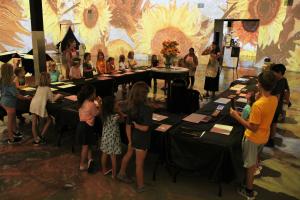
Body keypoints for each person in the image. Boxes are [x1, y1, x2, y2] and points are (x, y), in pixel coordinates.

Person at [230, 71, 278, 200]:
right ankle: (255, 171)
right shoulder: (274, 99)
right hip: (264, 136)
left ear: (260, 85)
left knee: (250, 166)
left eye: (258, 82)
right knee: (255, 159)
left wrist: (236, 116)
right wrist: (258, 99)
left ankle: (248, 190)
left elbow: (252, 127)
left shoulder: (258, 105)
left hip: (252, 138)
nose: (256, 84)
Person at [118, 82, 153, 193]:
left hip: (133, 137)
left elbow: (128, 125)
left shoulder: (130, 106)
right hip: (142, 139)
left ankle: (121, 173)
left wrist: (129, 140)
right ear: (144, 94)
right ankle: (140, 185)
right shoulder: (147, 109)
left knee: (129, 154)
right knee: (139, 164)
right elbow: (145, 128)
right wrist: (138, 126)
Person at [0, 64, 31, 144]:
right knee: (10, 121)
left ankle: (15, 131)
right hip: (9, 103)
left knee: (13, 118)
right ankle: (11, 139)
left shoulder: (2, 80)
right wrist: (27, 98)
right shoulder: (10, 82)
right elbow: (17, 96)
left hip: (3, 101)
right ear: (9, 71)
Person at [29, 72, 62, 145]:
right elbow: (52, 100)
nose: (50, 79)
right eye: (49, 78)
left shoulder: (39, 87)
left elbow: (43, 96)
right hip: (40, 107)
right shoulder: (47, 88)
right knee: (49, 120)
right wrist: (59, 95)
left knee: (34, 124)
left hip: (33, 105)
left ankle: (36, 139)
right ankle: (41, 137)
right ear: (47, 79)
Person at [76, 84, 102, 171]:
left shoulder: (82, 102)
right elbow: (97, 113)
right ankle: (82, 165)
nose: (95, 94)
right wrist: (99, 103)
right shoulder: (91, 104)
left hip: (81, 125)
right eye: (94, 93)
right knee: (85, 147)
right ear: (91, 94)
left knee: (87, 144)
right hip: (87, 127)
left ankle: (89, 159)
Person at [100, 96, 122, 179]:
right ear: (111, 106)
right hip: (113, 139)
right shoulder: (116, 116)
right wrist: (119, 111)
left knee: (104, 153)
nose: (117, 103)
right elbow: (122, 119)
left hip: (105, 138)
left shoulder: (104, 114)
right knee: (113, 157)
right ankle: (114, 174)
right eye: (116, 103)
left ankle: (104, 170)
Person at [268, 64, 289, 147]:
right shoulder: (283, 80)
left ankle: (271, 140)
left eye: (274, 73)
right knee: (274, 122)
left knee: (273, 123)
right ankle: (271, 138)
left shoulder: (278, 82)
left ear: (280, 72)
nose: (272, 74)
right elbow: (287, 91)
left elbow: (277, 96)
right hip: (277, 106)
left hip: (275, 107)